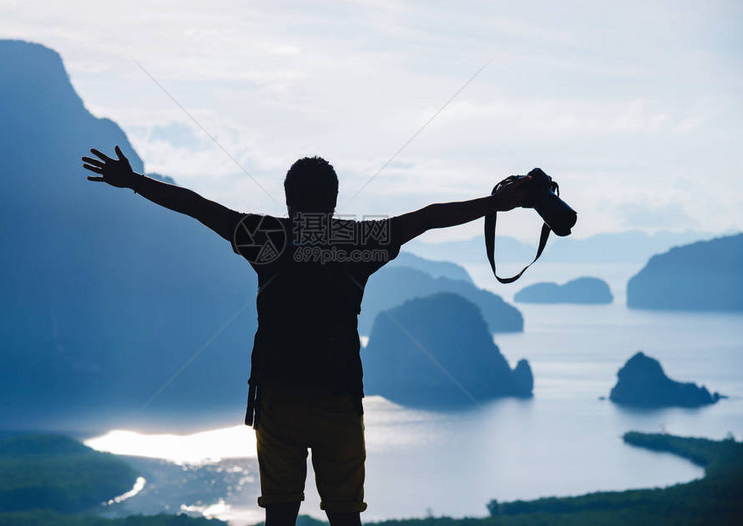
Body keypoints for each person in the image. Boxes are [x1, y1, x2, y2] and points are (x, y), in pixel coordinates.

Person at [82, 146, 530, 526]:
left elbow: (198, 206)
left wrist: (134, 181)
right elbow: (430, 217)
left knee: (279, 514)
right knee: (345, 516)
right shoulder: (357, 241)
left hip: (278, 399)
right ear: (334, 201)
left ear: (287, 199)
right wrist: (500, 203)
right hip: (339, 400)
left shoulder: (267, 237)